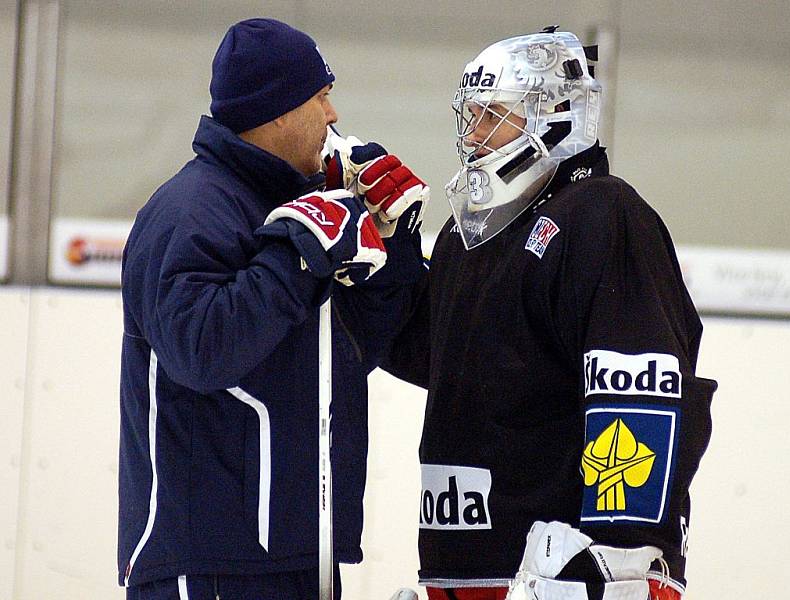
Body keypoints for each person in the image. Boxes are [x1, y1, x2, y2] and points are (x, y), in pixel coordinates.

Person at [383, 27, 717, 600]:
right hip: (459, 566)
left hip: (563, 574)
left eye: (495, 116)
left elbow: (638, 380)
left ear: (556, 116)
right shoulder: (466, 238)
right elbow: (440, 359)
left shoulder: (603, 217)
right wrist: (384, 259)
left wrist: (617, 554)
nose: (476, 136)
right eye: (471, 117)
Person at [118, 18, 427, 600]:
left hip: (299, 557)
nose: (334, 115)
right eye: (321, 96)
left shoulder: (302, 209)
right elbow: (199, 351)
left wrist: (397, 244)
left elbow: (352, 353)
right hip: (207, 564)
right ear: (278, 110)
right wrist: (297, 254)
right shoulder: (190, 209)